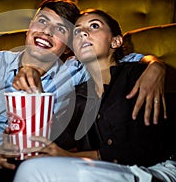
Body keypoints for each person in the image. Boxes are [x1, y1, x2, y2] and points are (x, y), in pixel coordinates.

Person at [0, 0, 166, 182]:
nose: (46, 30)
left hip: (38, 161)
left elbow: (120, 58)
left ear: (69, 46)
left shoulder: (75, 68)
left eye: (60, 29)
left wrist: (156, 67)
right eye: (42, 21)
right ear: (29, 27)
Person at [12, 9, 176, 182]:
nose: (83, 32)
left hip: (155, 170)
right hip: (106, 171)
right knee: (34, 164)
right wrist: (36, 94)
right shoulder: (76, 96)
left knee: (33, 170)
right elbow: (55, 142)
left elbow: (145, 149)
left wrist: (70, 156)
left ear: (115, 41)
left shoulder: (139, 76)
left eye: (94, 26)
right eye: (77, 31)